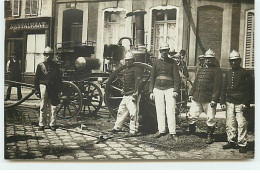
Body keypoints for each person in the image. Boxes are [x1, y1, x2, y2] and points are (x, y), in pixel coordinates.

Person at [220, 50, 253, 153]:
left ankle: (242, 143)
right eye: (231, 61)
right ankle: (231, 141)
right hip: (229, 102)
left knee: (242, 123)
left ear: (239, 61)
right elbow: (223, 88)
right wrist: (222, 101)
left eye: (235, 61)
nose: (233, 63)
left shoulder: (245, 73)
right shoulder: (228, 73)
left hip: (241, 103)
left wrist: (246, 103)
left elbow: (250, 90)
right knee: (230, 123)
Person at [188, 49, 222, 144]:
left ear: (213, 59)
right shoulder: (201, 70)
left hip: (209, 99)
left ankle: (209, 136)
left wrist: (214, 99)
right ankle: (191, 132)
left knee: (210, 118)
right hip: (197, 97)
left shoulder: (217, 70)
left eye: (210, 58)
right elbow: (195, 83)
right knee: (192, 115)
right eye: (207, 58)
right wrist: (191, 94)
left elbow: (217, 86)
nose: (208, 60)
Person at [149, 42, 181, 141]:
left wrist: (175, 90)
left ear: (168, 51)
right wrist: (151, 91)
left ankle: (172, 132)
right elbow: (152, 78)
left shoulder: (173, 62)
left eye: (166, 51)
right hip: (157, 88)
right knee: (160, 110)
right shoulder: (156, 63)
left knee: (170, 110)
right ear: (160, 52)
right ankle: (161, 130)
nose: (164, 52)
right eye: (162, 51)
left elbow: (177, 77)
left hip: (170, 89)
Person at [110, 51, 143, 137]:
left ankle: (133, 130)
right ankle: (117, 127)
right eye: (126, 60)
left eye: (129, 60)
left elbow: (138, 82)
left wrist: (136, 93)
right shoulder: (127, 70)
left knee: (133, 113)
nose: (127, 62)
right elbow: (126, 82)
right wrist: (123, 90)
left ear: (133, 60)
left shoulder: (136, 69)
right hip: (126, 95)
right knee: (121, 111)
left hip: (133, 94)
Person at [34, 46, 62, 131]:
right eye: (46, 54)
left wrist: (59, 90)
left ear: (52, 55)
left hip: (53, 88)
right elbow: (36, 79)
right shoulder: (40, 66)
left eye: (50, 55)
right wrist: (37, 90)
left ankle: (52, 124)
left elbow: (59, 79)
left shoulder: (56, 66)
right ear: (44, 55)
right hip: (43, 87)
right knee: (43, 106)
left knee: (53, 106)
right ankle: (42, 124)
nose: (48, 56)